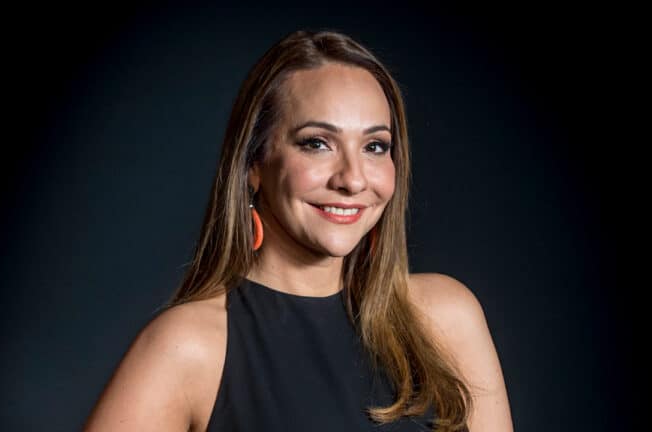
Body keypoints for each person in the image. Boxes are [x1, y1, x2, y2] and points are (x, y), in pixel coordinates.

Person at [84, 30, 513, 432]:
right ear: (254, 165)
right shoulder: (188, 346)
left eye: (374, 146)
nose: (352, 179)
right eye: (317, 143)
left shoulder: (447, 318)